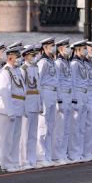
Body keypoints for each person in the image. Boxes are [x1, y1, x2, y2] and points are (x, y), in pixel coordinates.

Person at [0, 45, 25, 172]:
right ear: (9, 58)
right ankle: (6, 164)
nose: (19, 59)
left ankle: (14, 161)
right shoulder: (5, 72)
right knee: (7, 138)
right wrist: (10, 111)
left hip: (18, 107)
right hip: (9, 108)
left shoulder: (17, 71)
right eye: (17, 57)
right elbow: (5, 93)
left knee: (15, 137)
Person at [35, 37, 58, 167]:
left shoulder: (51, 61)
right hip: (45, 92)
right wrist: (39, 100)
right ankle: (40, 155)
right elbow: (38, 82)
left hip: (52, 93)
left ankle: (47, 155)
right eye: (52, 45)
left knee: (50, 126)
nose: (54, 47)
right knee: (42, 126)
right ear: (45, 47)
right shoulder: (42, 62)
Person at [19, 44, 42, 170]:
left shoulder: (35, 68)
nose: (35, 57)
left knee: (33, 134)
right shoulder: (23, 69)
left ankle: (32, 158)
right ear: (26, 57)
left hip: (35, 102)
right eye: (33, 55)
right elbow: (22, 89)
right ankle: (23, 160)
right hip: (27, 103)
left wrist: (40, 103)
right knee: (25, 134)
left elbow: (38, 88)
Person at [52, 38, 74, 164]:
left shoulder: (66, 63)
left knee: (66, 127)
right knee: (59, 128)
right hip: (62, 96)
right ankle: (57, 154)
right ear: (60, 49)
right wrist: (59, 99)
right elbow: (57, 82)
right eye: (67, 47)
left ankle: (63, 153)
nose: (69, 49)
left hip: (69, 96)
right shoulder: (59, 63)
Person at [68, 40, 88, 163]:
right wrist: (74, 98)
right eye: (84, 48)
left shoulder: (82, 63)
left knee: (82, 126)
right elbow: (73, 82)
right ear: (78, 50)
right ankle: (74, 153)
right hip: (78, 94)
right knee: (75, 126)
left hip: (84, 93)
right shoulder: (74, 63)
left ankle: (79, 152)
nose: (86, 50)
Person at [82, 42, 92, 161]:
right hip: (85, 94)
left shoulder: (91, 64)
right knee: (85, 125)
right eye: (91, 50)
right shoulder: (80, 64)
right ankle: (83, 152)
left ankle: (89, 151)